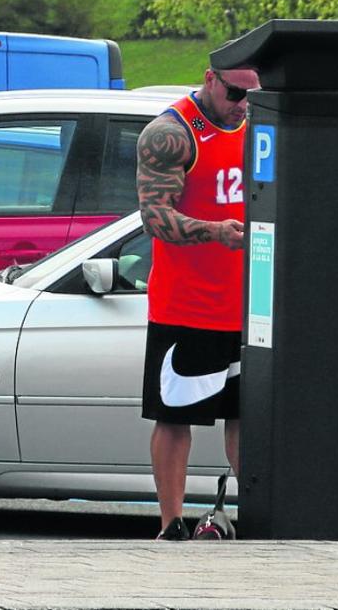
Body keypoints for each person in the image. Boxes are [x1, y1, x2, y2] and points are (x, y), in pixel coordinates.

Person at [136, 64, 259, 541]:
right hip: (186, 306)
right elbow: (154, 216)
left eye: (251, 94)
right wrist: (214, 231)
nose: (242, 103)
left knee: (246, 416)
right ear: (210, 79)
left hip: (248, 306)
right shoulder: (171, 134)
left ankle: (254, 515)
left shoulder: (259, 127)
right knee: (175, 416)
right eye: (234, 92)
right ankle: (171, 523)